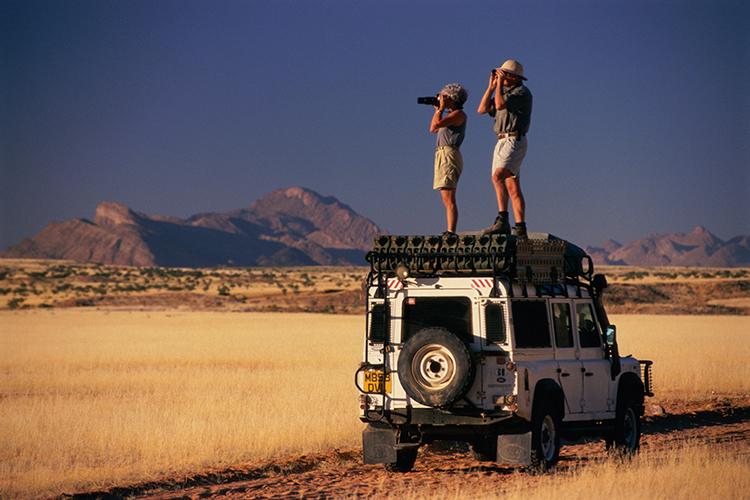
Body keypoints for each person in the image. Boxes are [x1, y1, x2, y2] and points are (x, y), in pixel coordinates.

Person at [477, 60, 532, 239]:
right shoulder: (504, 93)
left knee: (497, 176)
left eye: (505, 74)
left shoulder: (522, 92)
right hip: (501, 141)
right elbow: (482, 109)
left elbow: (500, 105)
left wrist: (499, 85)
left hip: (514, 139)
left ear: (514, 76)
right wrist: (491, 86)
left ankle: (503, 220)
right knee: (513, 187)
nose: (502, 77)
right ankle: (520, 228)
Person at [430, 83, 468, 235]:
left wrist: (440, 109)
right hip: (442, 154)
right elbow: (433, 128)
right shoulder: (450, 115)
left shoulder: (459, 114)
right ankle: (450, 229)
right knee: (446, 197)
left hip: (449, 154)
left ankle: (451, 231)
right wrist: (438, 110)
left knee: (449, 197)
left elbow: (436, 125)